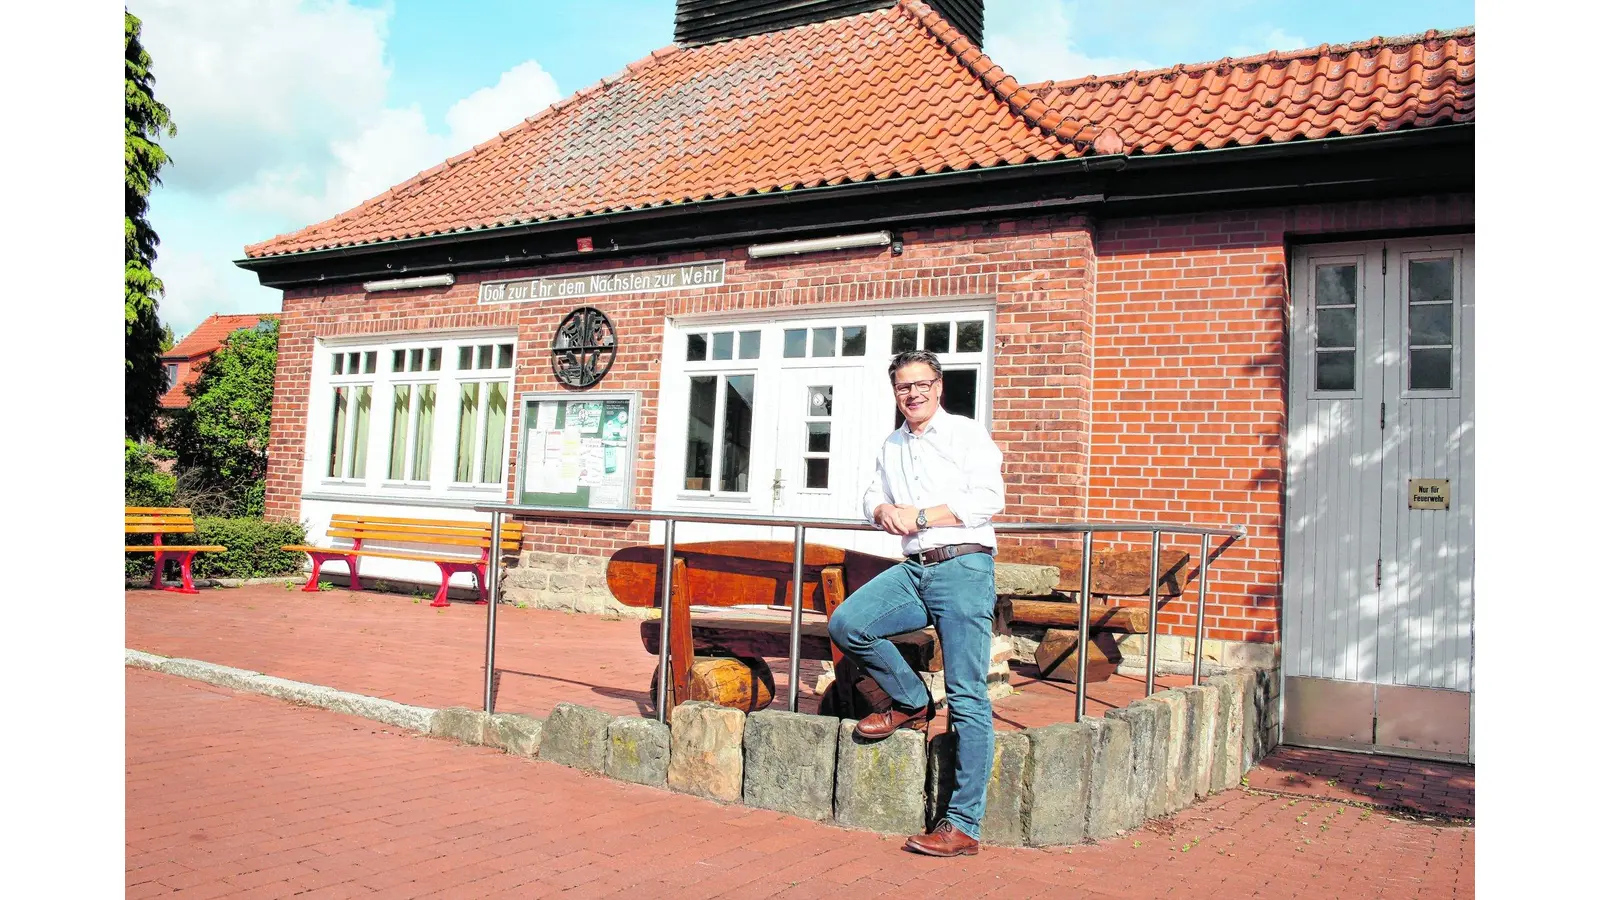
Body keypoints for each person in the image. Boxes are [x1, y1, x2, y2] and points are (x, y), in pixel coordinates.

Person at [827, 349, 1006, 857]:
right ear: (896, 393)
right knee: (849, 624)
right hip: (914, 570)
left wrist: (922, 516)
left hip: (964, 566)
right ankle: (911, 701)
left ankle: (964, 824)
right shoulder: (891, 444)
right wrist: (881, 509)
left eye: (922, 384)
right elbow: (870, 497)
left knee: (968, 695)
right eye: (904, 387)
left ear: (939, 386)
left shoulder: (967, 434)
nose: (914, 393)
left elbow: (989, 498)